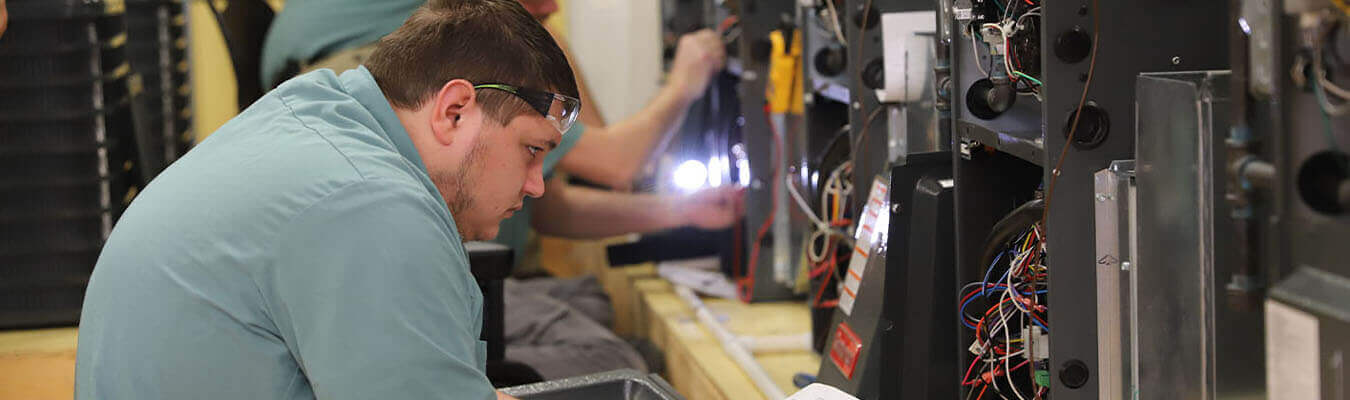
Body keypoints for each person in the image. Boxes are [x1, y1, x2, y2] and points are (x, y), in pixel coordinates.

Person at [75, 1, 576, 399]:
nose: (536, 185)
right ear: (455, 111)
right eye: (531, 150)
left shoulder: (320, 116)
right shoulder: (370, 204)